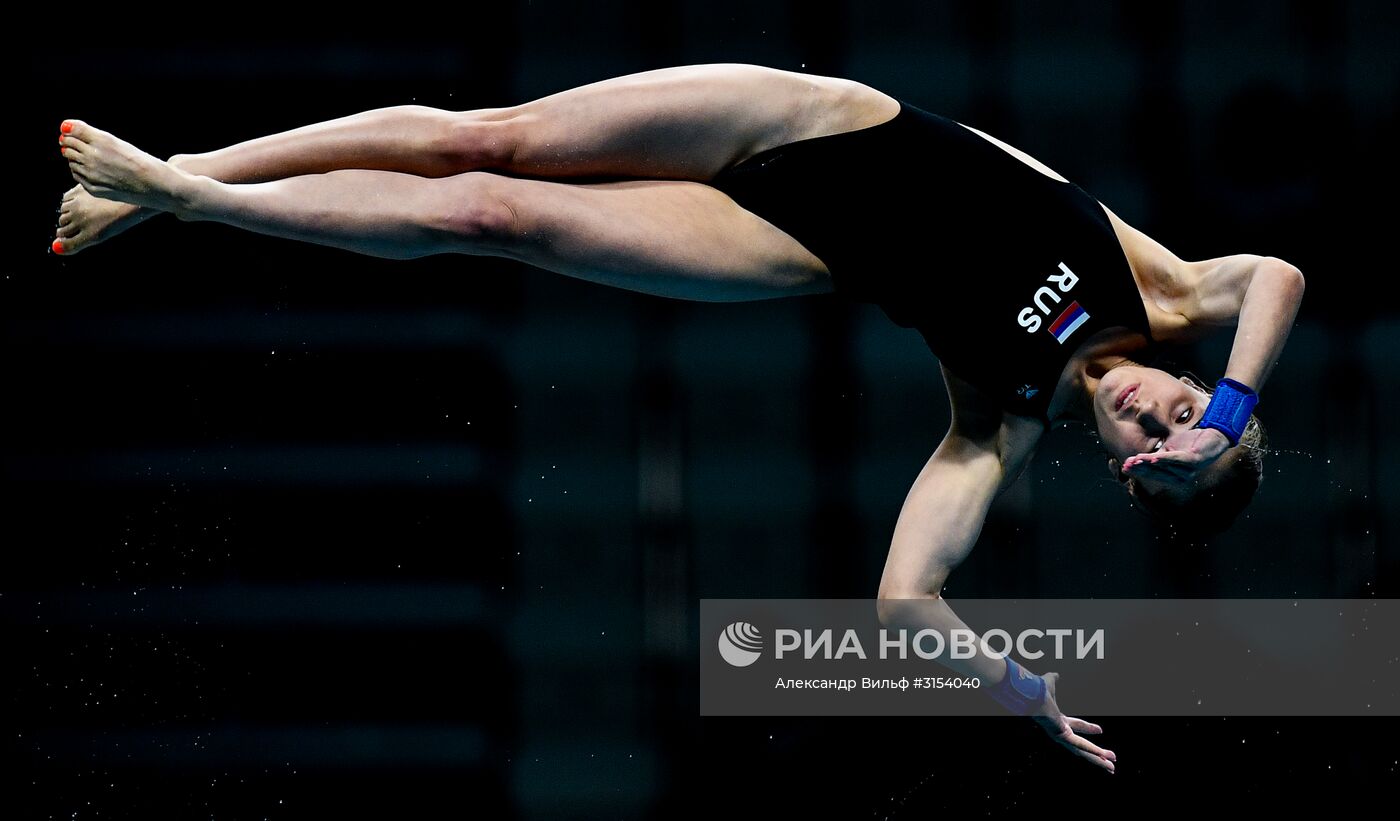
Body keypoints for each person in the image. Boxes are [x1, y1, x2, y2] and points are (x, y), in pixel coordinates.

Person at [51, 62, 1304, 773]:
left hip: (785, 242)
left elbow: (901, 602)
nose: (1158, 410)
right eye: (1187, 406)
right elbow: (1278, 278)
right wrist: (1236, 407)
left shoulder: (1001, 420)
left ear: (1123, 471)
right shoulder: (1167, 287)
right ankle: (193, 167)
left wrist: (1012, 685)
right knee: (493, 136)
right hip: (808, 121)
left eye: (1156, 448)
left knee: (490, 214)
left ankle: (177, 199)